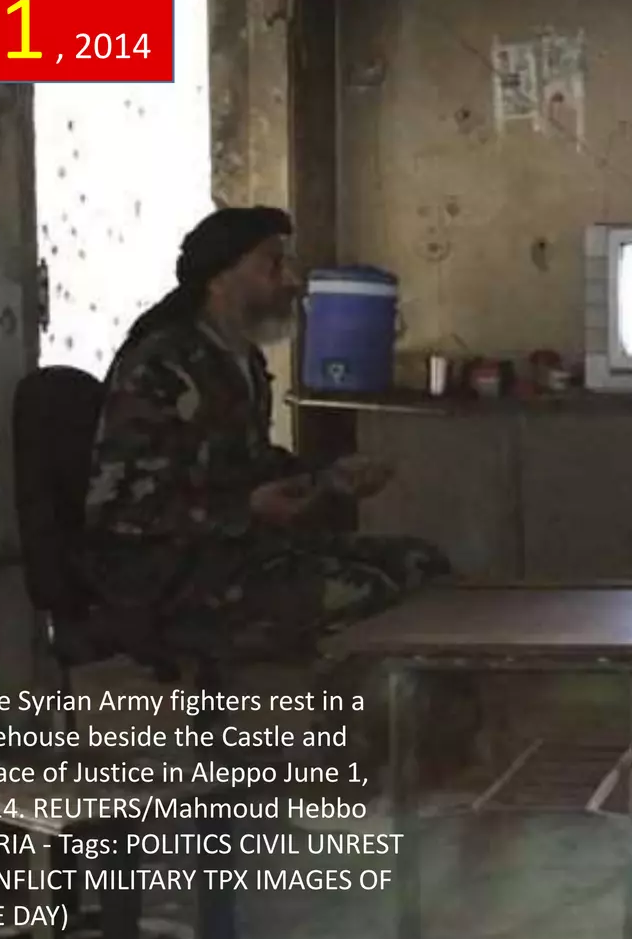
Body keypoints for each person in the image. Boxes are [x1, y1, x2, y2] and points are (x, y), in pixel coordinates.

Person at [83, 206, 460, 781]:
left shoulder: (242, 362)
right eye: (272, 265)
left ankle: (413, 754)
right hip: (170, 574)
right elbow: (120, 510)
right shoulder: (161, 365)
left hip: (241, 552)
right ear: (221, 276)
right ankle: (345, 766)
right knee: (370, 596)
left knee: (423, 567)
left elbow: (250, 466)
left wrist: (329, 476)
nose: (291, 281)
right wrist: (244, 509)